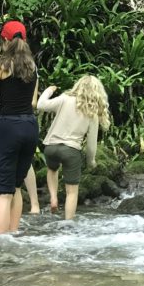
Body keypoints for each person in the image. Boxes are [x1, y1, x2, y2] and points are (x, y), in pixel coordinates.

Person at [0, 21, 39, 234]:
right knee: (16, 186)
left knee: (4, 192)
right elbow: (32, 102)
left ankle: (2, 242)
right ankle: (13, 235)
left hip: (9, 127)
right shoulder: (32, 66)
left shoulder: (1, 66)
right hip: (29, 126)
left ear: (4, 40)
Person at [36, 74, 110, 219]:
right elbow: (91, 146)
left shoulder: (64, 99)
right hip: (71, 150)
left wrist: (49, 90)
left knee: (52, 169)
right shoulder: (92, 113)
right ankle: (68, 223)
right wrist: (91, 161)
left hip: (51, 147)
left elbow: (41, 105)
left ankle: (53, 198)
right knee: (71, 192)